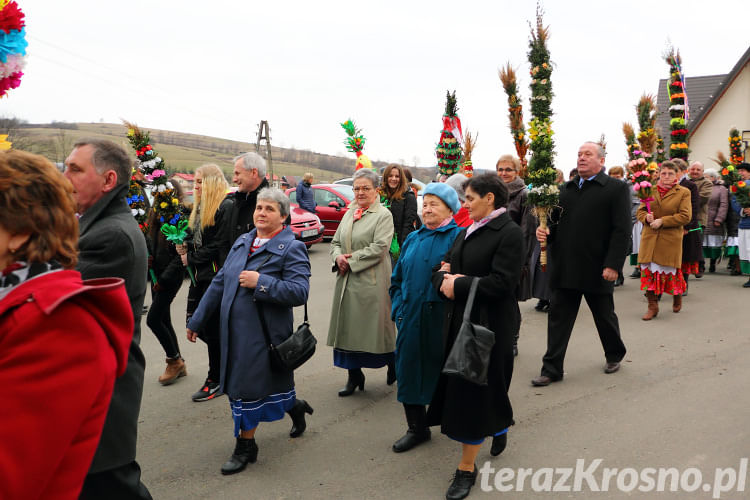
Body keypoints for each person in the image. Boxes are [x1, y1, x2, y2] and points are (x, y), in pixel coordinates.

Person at [0, 151, 133, 500]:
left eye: (76, 168)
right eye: (66, 167)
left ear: (20, 232)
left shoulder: (59, 328)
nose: (67, 175)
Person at [186, 188, 312, 475]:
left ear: (283, 216)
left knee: (246, 391)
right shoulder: (244, 241)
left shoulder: (292, 247)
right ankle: (295, 406)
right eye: (259, 208)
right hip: (233, 333)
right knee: (259, 386)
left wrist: (262, 282)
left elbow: (300, 292)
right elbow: (219, 282)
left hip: (264, 336)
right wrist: (196, 319)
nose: (261, 213)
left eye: (269, 209)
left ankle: (245, 447)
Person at [63, 139, 152, 499]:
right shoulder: (91, 225)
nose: (64, 175)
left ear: (108, 179)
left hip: (102, 389)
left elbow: (62, 304)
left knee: (112, 485)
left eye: (75, 168)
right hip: (90, 384)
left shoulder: (111, 235)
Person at [429, 173, 524, 500]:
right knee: (477, 387)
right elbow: (449, 265)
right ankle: (499, 424)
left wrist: (458, 283)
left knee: (475, 391)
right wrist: (442, 277)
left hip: (491, 325)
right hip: (462, 320)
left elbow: (503, 283)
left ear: (490, 199)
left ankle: (466, 468)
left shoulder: (509, 233)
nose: (464, 204)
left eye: (469, 198)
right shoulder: (470, 229)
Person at [531, 142, 630, 387]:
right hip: (566, 267)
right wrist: (546, 233)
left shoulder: (615, 189)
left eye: (588, 154)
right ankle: (551, 368)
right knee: (558, 320)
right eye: (579, 154)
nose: (582, 158)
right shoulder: (565, 189)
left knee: (604, 316)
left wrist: (613, 265)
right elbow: (555, 224)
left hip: (598, 267)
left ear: (601, 161)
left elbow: (621, 230)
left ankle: (614, 354)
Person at [389, 183, 462, 453]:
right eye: (426, 203)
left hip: (442, 321)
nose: (428, 208)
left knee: (449, 375)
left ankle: (462, 427)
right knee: (409, 371)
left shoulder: (459, 237)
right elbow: (396, 280)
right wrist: (398, 309)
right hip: (410, 318)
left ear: (450, 209)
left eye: (435, 204)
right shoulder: (413, 238)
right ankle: (416, 428)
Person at [328, 168, 396, 396]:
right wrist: (338, 257)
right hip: (346, 279)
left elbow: (379, 248)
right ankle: (354, 376)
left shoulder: (383, 215)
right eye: (356, 188)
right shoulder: (349, 212)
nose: (360, 193)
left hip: (371, 280)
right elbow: (335, 241)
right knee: (347, 330)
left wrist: (351, 261)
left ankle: (393, 364)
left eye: (365, 188)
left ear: (376, 190)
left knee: (374, 330)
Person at [178, 164, 233, 402]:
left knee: (209, 328)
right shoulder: (199, 208)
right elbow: (197, 237)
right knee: (196, 324)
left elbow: (219, 245)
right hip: (200, 275)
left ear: (212, 182)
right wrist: (183, 243)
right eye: (195, 182)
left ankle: (216, 378)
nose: (196, 186)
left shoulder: (225, 206)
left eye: (200, 182)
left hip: (215, 276)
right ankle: (225, 370)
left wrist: (190, 257)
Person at [637, 161, 692, 319]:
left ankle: (677, 294)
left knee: (670, 272)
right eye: (663, 173)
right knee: (649, 273)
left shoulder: (683, 192)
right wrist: (646, 218)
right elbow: (640, 211)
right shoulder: (649, 190)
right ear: (658, 174)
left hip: (670, 239)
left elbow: (685, 216)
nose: (666, 176)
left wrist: (663, 221)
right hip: (649, 238)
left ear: (677, 175)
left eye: (670, 174)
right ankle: (652, 307)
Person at [146, 181, 188, 385]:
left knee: (153, 319)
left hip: (169, 276)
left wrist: (164, 279)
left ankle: (174, 360)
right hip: (156, 272)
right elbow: (152, 240)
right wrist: (150, 256)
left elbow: (180, 255)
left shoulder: (177, 214)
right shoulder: (155, 212)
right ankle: (178, 360)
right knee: (163, 319)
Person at [496, 154, 536, 356]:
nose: (504, 173)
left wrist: (522, 261)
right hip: (492, 253)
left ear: (517, 172)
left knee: (509, 301)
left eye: (508, 169)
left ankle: (512, 339)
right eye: (501, 169)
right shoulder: (493, 192)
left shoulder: (524, 195)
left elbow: (527, 231)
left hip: (512, 256)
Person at [228, 151, 271, 244]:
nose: (234, 179)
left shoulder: (275, 206)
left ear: (254, 173)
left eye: (237, 173)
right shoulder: (237, 201)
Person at [675, 159, 702, 293]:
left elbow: (694, 207)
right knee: (670, 256)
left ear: (683, 172)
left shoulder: (690, 185)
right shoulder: (667, 184)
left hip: (686, 226)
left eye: (676, 171)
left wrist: (687, 227)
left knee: (684, 256)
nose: (673, 174)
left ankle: (683, 284)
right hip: (670, 225)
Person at [380, 163, 419, 249]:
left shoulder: (409, 196)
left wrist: (402, 246)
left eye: (397, 176)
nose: (393, 179)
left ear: (401, 178)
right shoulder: (380, 195)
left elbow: (408, 225)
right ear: (386, 177)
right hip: (381, 241)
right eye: (390, 176)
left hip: (398, 245)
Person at [689, 161, 713, 277]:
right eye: (693, 169)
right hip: (685, 217)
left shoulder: (706, 183)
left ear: (702, 171)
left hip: (698, 219)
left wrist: (683, 199)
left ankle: (700, 266)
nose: (695, 172)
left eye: (698, 170)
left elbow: (702, 198)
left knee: (697, 244)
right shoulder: (685, 182)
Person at [702, 168, 728, 273]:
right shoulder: (702, 186)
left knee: (714, 243)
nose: (704, 179)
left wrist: (719, 219)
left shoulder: (721, 189)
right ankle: (701, 265)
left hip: (714, 219)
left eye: (706, 177)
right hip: (703, 219)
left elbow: (724, 204)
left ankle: (713, 264)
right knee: (702, 243)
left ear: (713, 177)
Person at [729, 162, 750, 287]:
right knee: (746, 250)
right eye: (740, 171)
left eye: (743, 171)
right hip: (744, 222)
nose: (741, 173)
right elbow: (734, 201)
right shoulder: (738, 186)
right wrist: (744, 210)